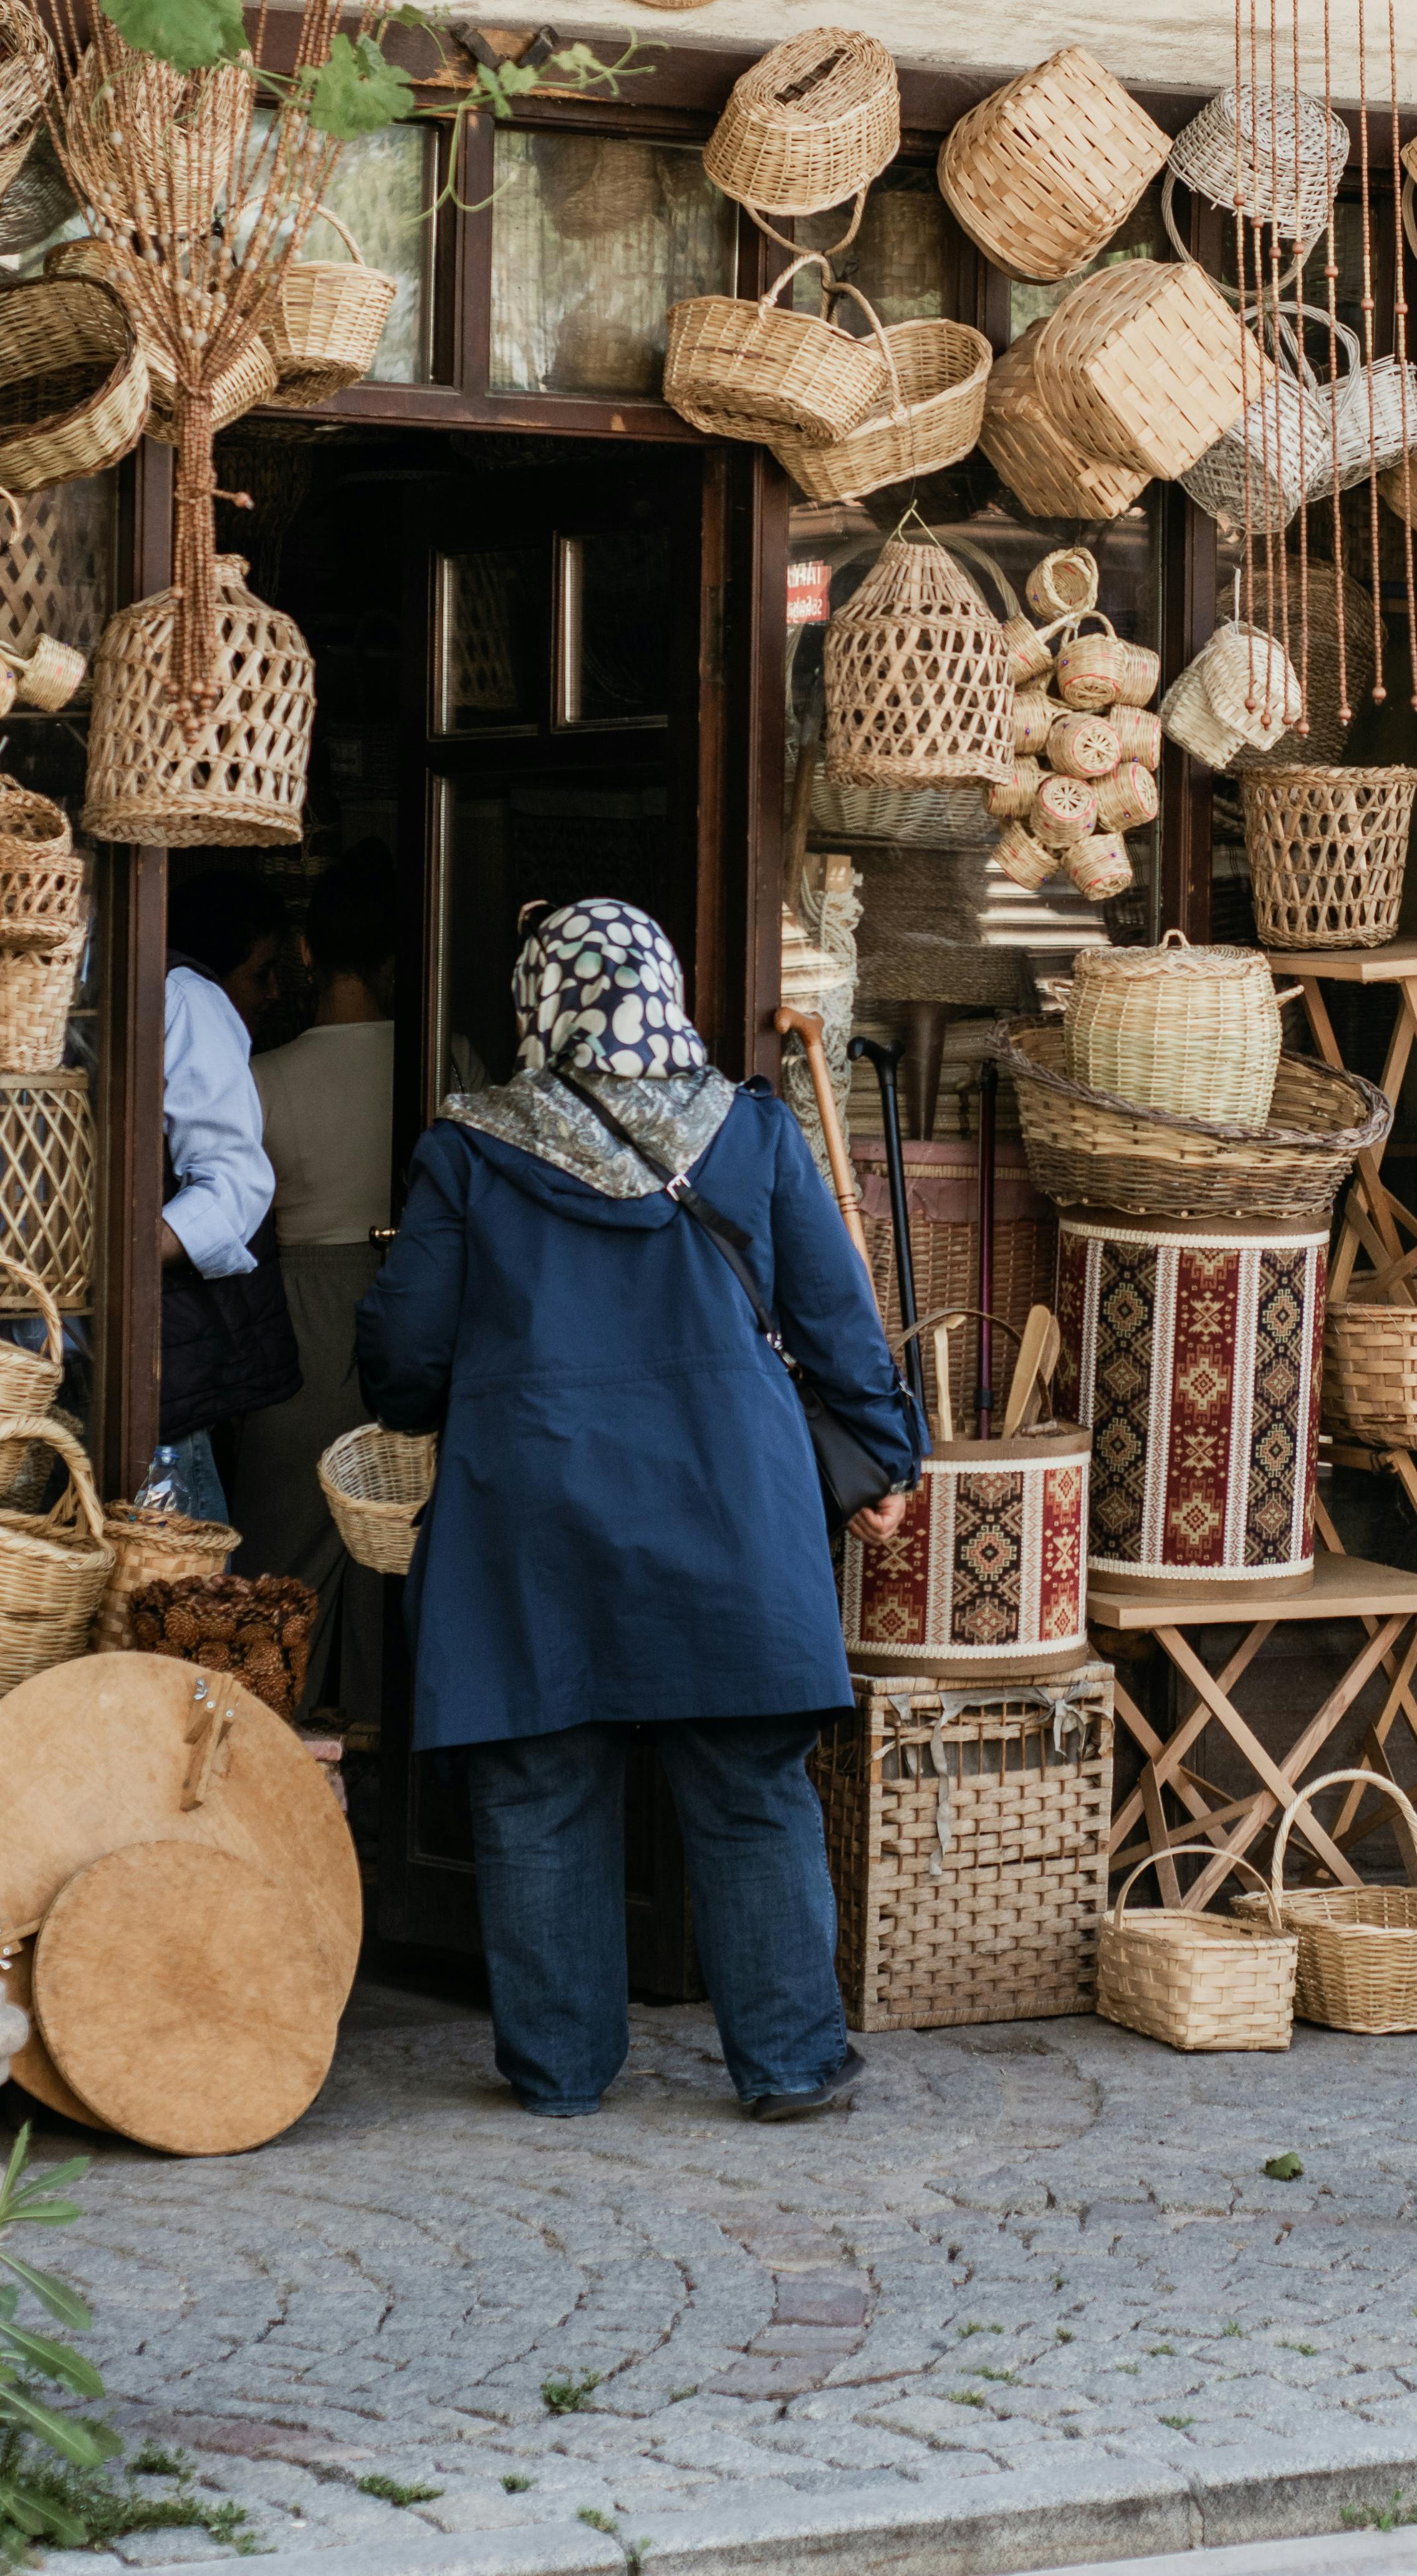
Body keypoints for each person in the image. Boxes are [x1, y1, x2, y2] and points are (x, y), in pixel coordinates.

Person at [354, 897, 925, 2125]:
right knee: (747, 1787)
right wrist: (881, 1459)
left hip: (530, 1518)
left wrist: (444, 1392)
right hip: (728, 1509)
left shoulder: (468, 1148)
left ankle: (560, 2071)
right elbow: (838, 1326)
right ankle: (788, 2062)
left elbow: (403, 1353)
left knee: (538, 1782)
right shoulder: (756, 1133)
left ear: (537, 1006)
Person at [224, 843, 400, 1714]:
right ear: (396, 959)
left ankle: (256, 1738)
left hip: (292, 1312)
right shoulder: (439, 1059)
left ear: (305, 954)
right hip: (404, 1300)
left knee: (275, 1549)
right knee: (393, 1546)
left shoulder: (263, 1078)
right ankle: (376, 1749)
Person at [160, 870, 299, 1522]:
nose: (271, 994)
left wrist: (122, 1247)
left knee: (166, 1598)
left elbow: (233, 1183)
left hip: (156, 1366)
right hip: (93, 1362)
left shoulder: (182, 996)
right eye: (262, 972)